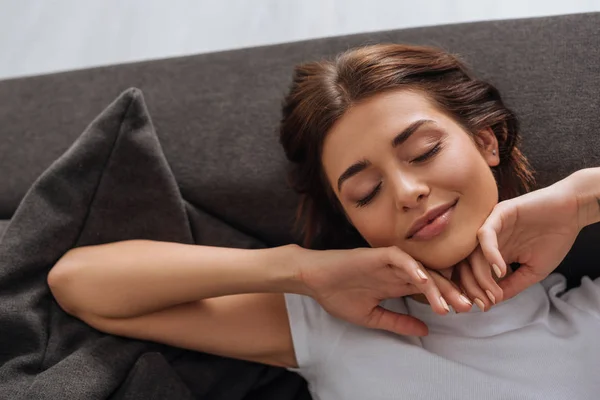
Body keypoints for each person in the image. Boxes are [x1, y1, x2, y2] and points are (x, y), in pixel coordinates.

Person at [47, 44, 600, 399]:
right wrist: (299, 269)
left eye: (425, 151)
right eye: (366, 192)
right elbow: (79, 283)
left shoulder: (588, 319)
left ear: (485, 141)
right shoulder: (338, 327)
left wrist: (578, 201)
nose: (407, 192)